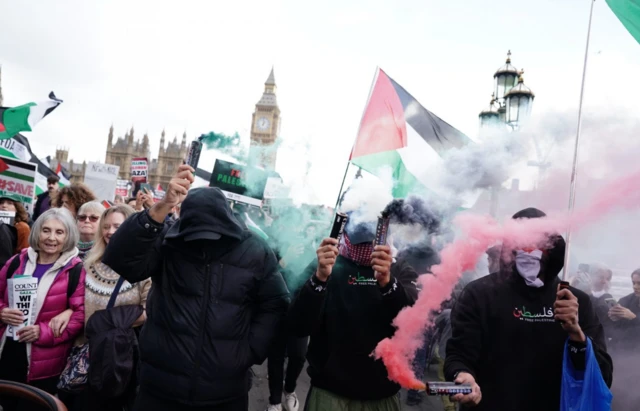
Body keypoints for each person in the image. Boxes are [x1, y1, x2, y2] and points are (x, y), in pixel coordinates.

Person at [102, 165, 290, 411]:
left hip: (225, 392)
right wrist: (160, 207)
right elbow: (120, 258)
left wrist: (249, 350)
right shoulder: (169, 242)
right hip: (160, 389)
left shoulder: (254, 250)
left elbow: (275, 301)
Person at [444, 208, 613, 411]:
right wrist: (462, 375)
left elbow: (603, 375)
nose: (529, 253)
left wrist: (577, 336)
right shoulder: (479, 294)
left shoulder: (575, 301)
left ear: (552, 249)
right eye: (520, 245)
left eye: (538, 246)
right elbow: (459, 353)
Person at [288, 215, 419, 411]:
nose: (365, 251)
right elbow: (298, 325)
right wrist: (320, 278)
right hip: (329, 391)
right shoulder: (327, 264)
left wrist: (387, 283)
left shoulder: (399, 268)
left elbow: (413, 324)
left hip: (381, 394)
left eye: (370, 244)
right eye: (358, 243)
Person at [51, 204, 149, 411]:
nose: (110, 232)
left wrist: (105, 321)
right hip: (83, 355)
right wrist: (70, 310)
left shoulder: (144, 269)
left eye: (117, 226)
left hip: (116, 359)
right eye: (106, 226)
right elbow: (78, 299)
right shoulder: (89, 264)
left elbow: (149, 311)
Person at [0, 208, 86, 411]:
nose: (51, 238)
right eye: (46, 230)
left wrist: (42, 332)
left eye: (59, 232)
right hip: (7, 353)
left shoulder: (76, 270)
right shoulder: (16, 262)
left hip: (44, 364)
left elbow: (80, 315)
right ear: (37, 232)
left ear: (68, 236)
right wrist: (1, 312)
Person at [264, 226, 318, 411]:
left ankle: (290, 389)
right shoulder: (276, 248)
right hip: (278, 311)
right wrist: (285, 259)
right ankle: (275, 400)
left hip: (301, 313)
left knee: (298, 356)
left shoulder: (313, 254)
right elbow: (267, 278)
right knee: (276, 357)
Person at [608, 269, 640, 410]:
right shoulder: (626, 300)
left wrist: (634, 318)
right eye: (633, 283)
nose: (635, 287)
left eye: (639, 283)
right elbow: (614, 330)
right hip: (622, 356)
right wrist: (613, 318)